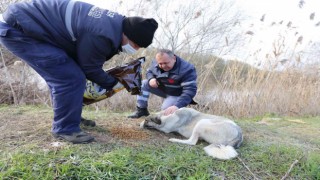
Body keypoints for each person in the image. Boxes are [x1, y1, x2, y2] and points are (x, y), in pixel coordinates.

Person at [0, 0, 158, 144]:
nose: (134, 49)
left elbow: (85, 61)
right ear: (128, 34)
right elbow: (89, 68)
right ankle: (65, 128)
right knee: (69, 78)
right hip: (20, 29)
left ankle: (72, 116)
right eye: (135, 44)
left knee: (71, 73)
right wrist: (113, 83)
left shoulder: (113, 25)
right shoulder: (102, 33)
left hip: (34, 27)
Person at [128, 49, 197, 118]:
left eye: (166, 63)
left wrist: (177, 105)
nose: (163, 66)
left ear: (174, 58)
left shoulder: (187, 69)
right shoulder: (157, 61)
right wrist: (151, 78)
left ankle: (181, 113)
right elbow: (149, 72)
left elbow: (190, 90)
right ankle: (142, 110)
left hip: (177, 94)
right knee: (143, 83)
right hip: (163, 89)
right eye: (160, 64)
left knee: (166, 112)